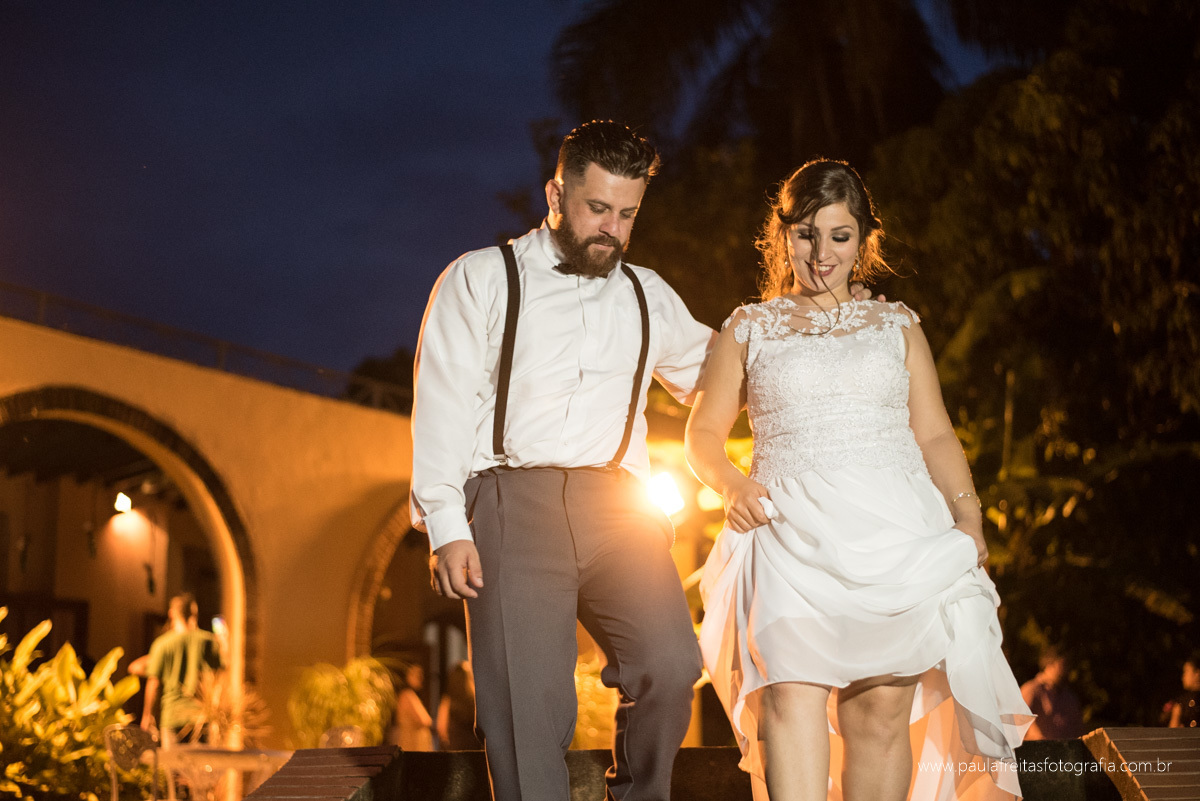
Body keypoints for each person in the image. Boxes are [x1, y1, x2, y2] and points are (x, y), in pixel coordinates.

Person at [687, 160, 1033, 801]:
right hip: (787, 535)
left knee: (877, 715)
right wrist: (732, 487)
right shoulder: (748, 326)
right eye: (806, 235)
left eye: (839, 236)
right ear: (782, 235)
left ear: (865, 239)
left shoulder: (897, 324)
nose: (822, 254)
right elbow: (701, 436)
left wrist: (969, 517)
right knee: (789, 696)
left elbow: (934, 432)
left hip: (897, 532)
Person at [410, 120, 714, 801]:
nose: (611, 227)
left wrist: (808, 337)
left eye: (627, 213)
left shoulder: (648, 293)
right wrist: (446, 523)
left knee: (670, 663)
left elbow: (717, 374)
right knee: (525, 707)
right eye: (596, 207)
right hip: (512, 499)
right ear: (556, 192)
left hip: (620, 506)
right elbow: (442, 402)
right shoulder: (482, 277)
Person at [139, 593, 223, 744]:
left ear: (171, 613)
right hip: (200, 717)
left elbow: (154, 682)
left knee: (173, 766)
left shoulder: (162, 644)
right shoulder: (207, 641)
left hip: (172, 716)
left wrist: (147, 715)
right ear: (194, 614)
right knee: (200, 767)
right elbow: (219, 672)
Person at [1020, 645, 1085, 740]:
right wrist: (1038, 739)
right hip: (1038, 752)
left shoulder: (1069, 697)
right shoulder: (1031, 690)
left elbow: (1079, 732)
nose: (1067, 670)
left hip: (1065, 753)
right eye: (1063, 665)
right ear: (1050, 664)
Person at [437, 660, 481, 750]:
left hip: (455, 748)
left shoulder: (447, 701)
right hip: (472, 749)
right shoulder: (474, 702)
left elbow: (441, 726)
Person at [393, 663, 435, 751]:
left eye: (420, 674)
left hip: (415, 744)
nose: (420, 678)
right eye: (415, 674)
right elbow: (425, 720)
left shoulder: (412, 695)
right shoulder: (407, 695)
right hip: (412, 744)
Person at [1164, 649, 1200, 728]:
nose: (1183, 677)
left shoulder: (1182, 704)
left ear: (1197, 673)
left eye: (1186, 671)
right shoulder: (1181, 703)